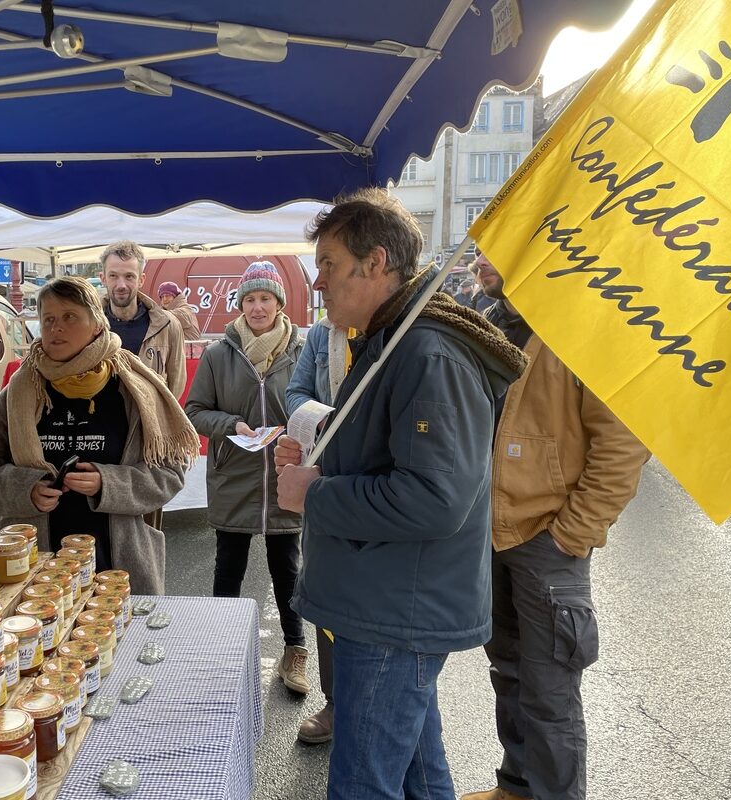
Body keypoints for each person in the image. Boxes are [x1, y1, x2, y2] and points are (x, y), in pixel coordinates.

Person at [274, 189, 527, 799]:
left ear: (377, 261)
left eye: (330, 264)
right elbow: (387, 447)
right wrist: (323, 450)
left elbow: (435, 498)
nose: (319, 280)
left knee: (365, 783)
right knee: (419, 776)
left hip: (394, 611)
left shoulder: (426, 350)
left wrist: (314, 494)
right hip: (385, 600)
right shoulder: (393, 337)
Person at [462, 253, 649, 800]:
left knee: (551, 692)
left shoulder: (580, 326)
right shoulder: (495, 321)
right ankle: (516, 786)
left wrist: (572, 532)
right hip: (492, 533)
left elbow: (624, 444)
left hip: (547, 537)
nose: (479, 259)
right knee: (509, 671)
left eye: (493, 248)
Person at [0, 276, 198, 595]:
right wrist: (25, 489)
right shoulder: (17, 393)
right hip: (31, 571)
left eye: (69, 317)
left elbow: (170, 473)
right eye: (48, 319)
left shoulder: (134, 392)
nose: (56, 327)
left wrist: (108, 483)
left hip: (120, 569)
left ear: (97, 326)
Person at [185, 261, 309, 694]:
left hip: (283, 474)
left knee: (287, 568)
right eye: (250, 299)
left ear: (279, 303)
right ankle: (220, 647)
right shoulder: (220, 354)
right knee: (229, 565)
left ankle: (295, 652)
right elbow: (195, 411)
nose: (258, 308)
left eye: (266, 299)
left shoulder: (301, 351)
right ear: (241, 305)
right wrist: (232, 425)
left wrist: (297, 426)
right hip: (233, 475)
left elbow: (316, 405)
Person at [283, 314, 357, 743]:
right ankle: (334, 703)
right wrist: (325, 421)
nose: (322, 283)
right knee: (326, 592)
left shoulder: (404, 331)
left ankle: (375, 707)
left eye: (331, 265)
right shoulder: (323, 335)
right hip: (326, 478)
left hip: (377, 485)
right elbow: (296, 392)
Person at [98, 241, 186, 397]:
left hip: (150, 420)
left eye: (129, 276)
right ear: (103, 278)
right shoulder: (88, 326)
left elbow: (176, 385)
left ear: (141, 279)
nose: (121, 285)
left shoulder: (167, 325)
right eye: (113, 276)